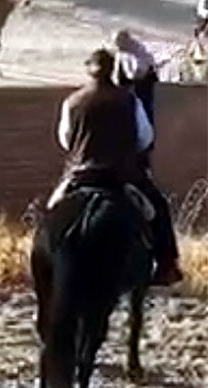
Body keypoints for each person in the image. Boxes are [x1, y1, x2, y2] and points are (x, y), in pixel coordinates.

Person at [55, 49, 182, 286]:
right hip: (123, 175)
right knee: (158, 208)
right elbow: (144, 138)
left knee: (52, 210)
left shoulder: (72, 102)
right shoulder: (129, 100)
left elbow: (65, 139)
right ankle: (167, 266)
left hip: (81, 175)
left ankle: (46, 262)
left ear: (89, 70)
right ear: (112, 70)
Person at [109, 30, 158, 128]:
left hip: (144, 80)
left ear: (126, 40)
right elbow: (118, 70)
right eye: (116, 44)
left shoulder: (139, 50)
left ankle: (151, 127)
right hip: (129, 79)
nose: (117, 47)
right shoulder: (121, 51)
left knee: (147, 107)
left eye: (119, 44)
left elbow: (141, 72)